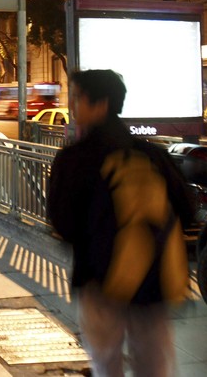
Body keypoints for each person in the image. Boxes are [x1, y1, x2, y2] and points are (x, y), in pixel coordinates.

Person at [47, 70, 193, 376]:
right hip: (156, 281)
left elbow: (63, 222)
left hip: (99, 279)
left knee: (106, 360)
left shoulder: (74, 158)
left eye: (76, 98)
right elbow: (187, 210)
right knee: (153, 362)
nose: (71, 107)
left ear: (99, 104)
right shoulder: (153, 154)